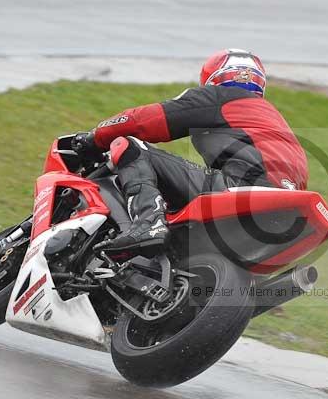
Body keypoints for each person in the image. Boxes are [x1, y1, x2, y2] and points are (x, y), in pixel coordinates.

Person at [73, 48, 309, 256]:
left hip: (243, 188)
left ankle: (148, 223)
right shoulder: (274, 119)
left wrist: (94, 137)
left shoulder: (219, 98)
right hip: (287, 213)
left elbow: (143, 120)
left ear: (212, 76)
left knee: (131, 147)